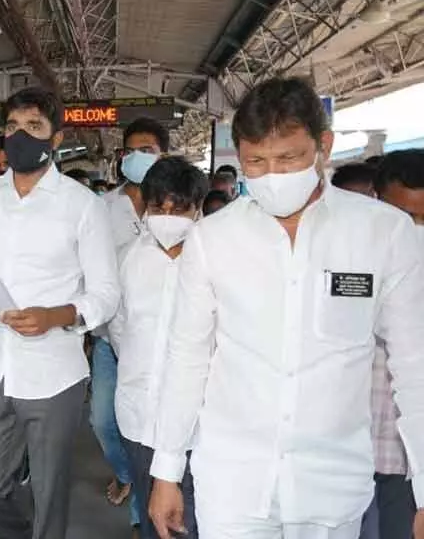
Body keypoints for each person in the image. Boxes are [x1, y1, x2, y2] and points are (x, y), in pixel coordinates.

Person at [148, 78, 424, 539]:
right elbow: (187, 358)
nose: (272, 175)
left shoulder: (383, 233)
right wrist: (167, 471)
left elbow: (415, 367)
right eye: (256, 161)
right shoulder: (213, 239)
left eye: (289, 158)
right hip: (232, 483)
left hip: (332, 487)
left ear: (324, 146)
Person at [0, 87, 119, 539]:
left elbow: (105, 294)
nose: (20, 136)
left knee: (49, 489)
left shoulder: (83, 206)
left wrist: (57, 315)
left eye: (34, 127)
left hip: (54, 371)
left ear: (56, 139)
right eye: (12, 127)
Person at [111, 157, 208, 539]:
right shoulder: (127, 260)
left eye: (179, 209)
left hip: (200, 424)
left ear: (197, 209)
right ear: (144, 207)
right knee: (156, 521)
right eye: (158, 208)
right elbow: (118, 330)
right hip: (139, 416)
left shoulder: (218, 260)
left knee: (196, 522)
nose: (167, 217)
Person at [95, 117, 169, 523]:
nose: (139, 157)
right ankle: (126, 474)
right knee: (103, 420)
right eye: (132, 150)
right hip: (109, 337)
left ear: (163, 155)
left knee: (153, 428)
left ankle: (145, 508)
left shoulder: (176, 205)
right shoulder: (102, 208)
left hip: (158, 340)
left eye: (149, 149)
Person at [357, 149, 424, 539]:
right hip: (350, 448)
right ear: (378, 202)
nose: (415, 230)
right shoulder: (350, 258)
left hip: (409, 459)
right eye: (405, 217)